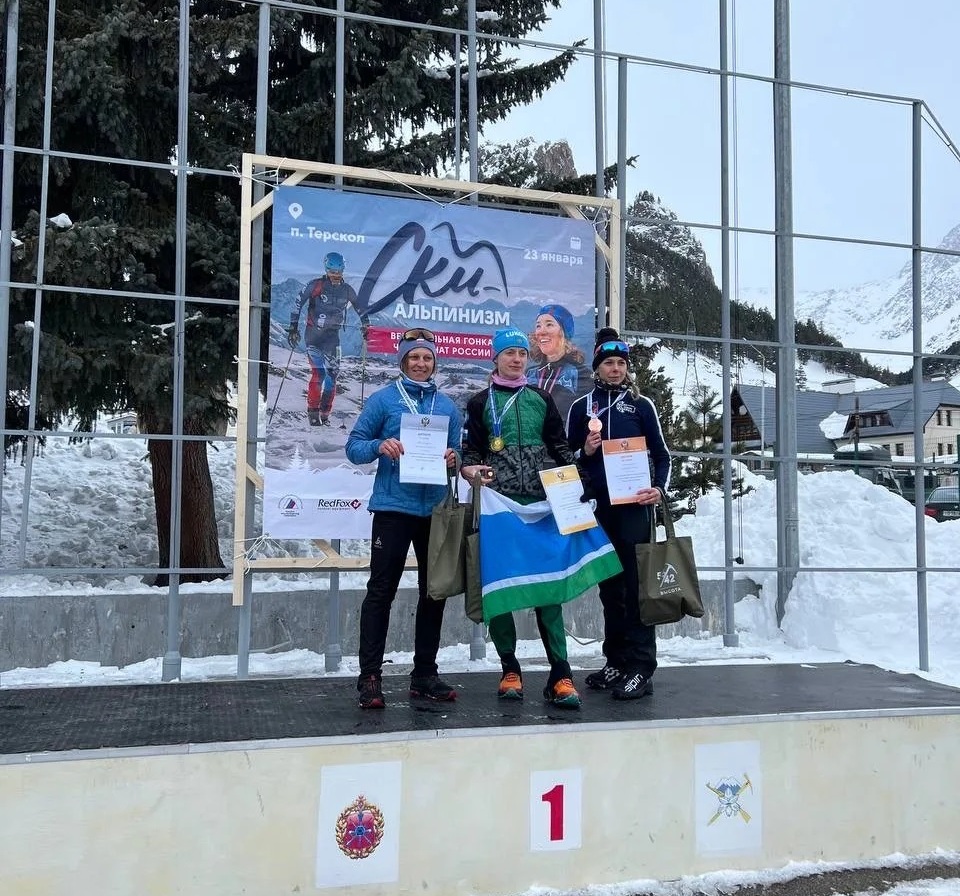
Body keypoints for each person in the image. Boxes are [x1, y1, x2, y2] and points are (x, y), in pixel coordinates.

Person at [461, 326, 583, 709]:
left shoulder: (541, 399)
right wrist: (468, 468)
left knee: (550, 591)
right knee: (500, 590)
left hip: (539, 507)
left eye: (521, 353)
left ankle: (560, 673)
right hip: (499, 507)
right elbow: (471, 452)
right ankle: (509, 668)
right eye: (509, 353)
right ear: (495, 358)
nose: (516, 359)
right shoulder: (479, 403)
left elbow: (560, 447)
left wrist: (576, 484)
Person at [345, 328, 462, 709]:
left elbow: (458, 452)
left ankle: (424, 673)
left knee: (434, 592)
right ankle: (370, 677)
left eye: (427, 358)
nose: (421, 364)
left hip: (434, 511)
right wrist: (379, 445)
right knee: (381, 591)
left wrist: (454, 458)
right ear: (403, 361)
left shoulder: (447, 406)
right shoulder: (383, 400)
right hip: (394, 508)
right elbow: (354, 447)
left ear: (434, 362)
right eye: (414, 357)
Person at [565, 327, 672, 700]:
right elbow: (567, 459)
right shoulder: (581, 407)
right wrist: (585, 451)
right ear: (597, 367)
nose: (615, 369)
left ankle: (641, 668)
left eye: (621, 363)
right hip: (598, 511)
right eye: (609, 363)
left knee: (636, 588)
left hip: (633, 510)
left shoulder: (641, 405)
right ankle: (616, 660)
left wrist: (658, 489)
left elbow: (663, 456)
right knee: (610, 589)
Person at [288, 251, 369, 427]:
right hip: (313, 335)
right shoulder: (316, 285)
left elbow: (360, 308)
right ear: (326, 270)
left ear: (343, 270)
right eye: (332, 272)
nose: (335, 275)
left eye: (339, 272)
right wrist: (293, 327)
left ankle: (325, 414)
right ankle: (313, 412)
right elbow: (298, 302)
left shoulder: (347, 290)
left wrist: (366, 325)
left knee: (332, 375)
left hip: (332, 338)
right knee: (319, 373)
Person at [526, 303, 592, 422]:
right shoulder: (529, 374)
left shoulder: (582, 375)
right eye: (538, 326)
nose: (542, 332)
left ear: (564, 333)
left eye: (549, 324)